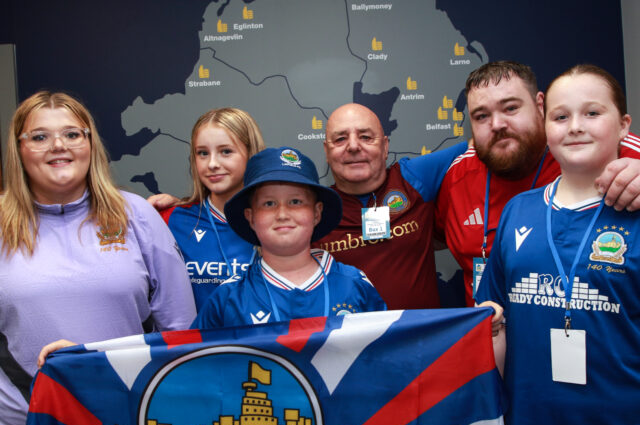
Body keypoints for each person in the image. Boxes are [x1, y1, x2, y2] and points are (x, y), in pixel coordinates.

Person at [0, 91, 196, 425]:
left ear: (90, 143)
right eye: (39, 137)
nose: (58, 145)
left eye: (72, 134)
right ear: (19, 149)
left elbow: (181, 330)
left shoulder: (136, 214)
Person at [476, 65, 640, 425]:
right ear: (545, 124)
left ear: (624, 125)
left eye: (592, 113)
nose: (575, 127)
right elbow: (493, 318)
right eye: (561, 116)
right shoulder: (519, 211)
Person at [436, 61, 640, 306]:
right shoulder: (456, 177)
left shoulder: (589, 149)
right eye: (481, 116)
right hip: (494, 324)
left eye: (511, 108)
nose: (497, 124)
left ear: (540, 105)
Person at [192, 146, 386, 328]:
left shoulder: (354, 284)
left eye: (295, 201)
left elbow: (388, 348)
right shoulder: (228, 298)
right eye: (269, 204)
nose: (282, 214)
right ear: (250, 217)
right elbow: (194, 353)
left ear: (316, 213)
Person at [313, 103, 468, 310]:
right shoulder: (315, 211)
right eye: (340, 139)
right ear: (326, 151)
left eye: (366, 137)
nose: (353, 146)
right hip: (348, 331)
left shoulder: (413, 179)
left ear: (385, 146)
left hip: (422, 330)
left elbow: (481, 144)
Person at [159, 108, 264, 310]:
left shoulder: (277, 221)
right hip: (195, 332)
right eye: (203, 153)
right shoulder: (171, 219)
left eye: (226, 151)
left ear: (251, 154)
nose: (212, 163)